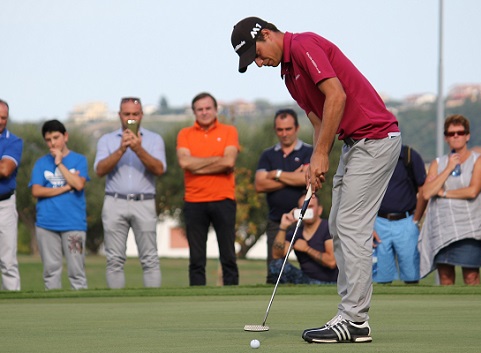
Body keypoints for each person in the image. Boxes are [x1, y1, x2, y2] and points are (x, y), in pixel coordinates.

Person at [232, 17, 401, 343]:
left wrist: (322, 153)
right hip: (356, 145)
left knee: (352, 226)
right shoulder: (288, 73)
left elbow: (336, 96)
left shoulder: (304, 45)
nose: (258, 62)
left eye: (256, 53)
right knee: (339, 224)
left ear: (266, 34)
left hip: (376, 139)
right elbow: (318, 117)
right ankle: (348, 314)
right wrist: (315, 159)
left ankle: (355, 320)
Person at [94, 97, 166, 289]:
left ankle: (153, 309)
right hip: (114, 201)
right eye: (127, 114)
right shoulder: (107, 140)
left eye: (135, 114)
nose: (131, 118)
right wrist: (121, 149)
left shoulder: (154, 139)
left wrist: (138, 148)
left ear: (141, 115)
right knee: (114, 260)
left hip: (144, 202)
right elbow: (100, 170)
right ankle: (116, 309)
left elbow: (159, 169)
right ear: (120, 115)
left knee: (150, 259)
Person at [177, 92, 239, 286]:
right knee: (196, 259)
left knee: (228, 256)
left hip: (224, 199)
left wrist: (198, 165)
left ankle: (233, 299)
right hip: (194, 201)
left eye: (208, 108)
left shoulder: (229, 131)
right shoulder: (184, 134)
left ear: (215, 110)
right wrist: (218, 161)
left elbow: (229, 160)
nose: (204, 113)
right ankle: (196, 299)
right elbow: (185, 163)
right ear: (194, 112)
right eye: (200, 109)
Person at [419, 114, 481, 285]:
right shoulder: (438, 163)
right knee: (445, 277)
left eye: (460, 132)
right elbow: (427, 192)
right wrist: (449, 168)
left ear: (467, 136)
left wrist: (443, 193)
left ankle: (475, 311)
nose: (456, 136)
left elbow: (473, 191)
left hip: (470, 227)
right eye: (451, 134)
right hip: (443, 228)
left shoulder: (478, 160)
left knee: (471, 276)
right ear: (446, 138)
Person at [29, 120, 88, 290]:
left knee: (77, 272)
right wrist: (66, 186)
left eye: (56, 137)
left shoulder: (79, 160)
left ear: (66, 136)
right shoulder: (40, 163)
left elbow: (79, 184)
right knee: (50, 271)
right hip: (46, 225)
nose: (53, 143)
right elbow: (36, 191)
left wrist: (59, 163)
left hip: (74, 225)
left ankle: (80, 311)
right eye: (48, 139)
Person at [255, 108, 312, 282]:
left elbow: (308, 180)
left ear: (297, 128)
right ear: (275, 130)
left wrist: (277, 174)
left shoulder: (309, 151)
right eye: (280, 129)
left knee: (312, 272)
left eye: (288, 129)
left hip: (306, 221)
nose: (284, 133)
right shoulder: (268, 154)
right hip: (276, 222)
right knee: (274, 272)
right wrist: (294, 176)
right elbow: (259, 184)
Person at [373, 145, 427, 284]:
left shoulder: (409, 155)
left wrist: (416, 219)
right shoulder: (371, 156)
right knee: (382, 279)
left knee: (412, 277)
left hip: (406, 220)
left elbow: (423, 190)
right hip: (378, 222)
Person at [269, 193, 338, 284]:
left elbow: (332, 262)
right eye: (304, 207)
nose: (307, 209)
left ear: (319, 210)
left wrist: (307, 249)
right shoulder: (296, 232)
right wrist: (283, 226)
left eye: (311, 206)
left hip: (331, 283)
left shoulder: (328, 228)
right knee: (276, 265)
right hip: (305, 281)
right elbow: (277, 256)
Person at [0, 99, 22, 291]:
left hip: (4, 205)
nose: (0, 121)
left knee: (8, 261)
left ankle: (13, 302)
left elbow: (5, 169)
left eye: (3, 118)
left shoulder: (13, 141)